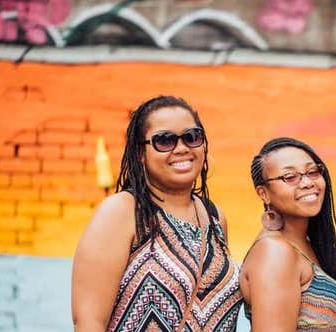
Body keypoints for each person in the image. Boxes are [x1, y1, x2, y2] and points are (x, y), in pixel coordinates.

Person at [71, 96, 242, 331]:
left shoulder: (214, 217)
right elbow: (89, 322)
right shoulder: (123, 212)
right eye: (164, 141)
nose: (181, 149)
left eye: (192, 137)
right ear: (140, 152)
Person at [240, 137, 336, 331]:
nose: (307, 182)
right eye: (289, 177)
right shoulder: (275, 252)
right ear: (264, 193)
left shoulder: (303, 243)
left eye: (313, 172)